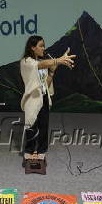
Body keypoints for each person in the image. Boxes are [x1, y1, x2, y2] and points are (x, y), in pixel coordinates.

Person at [20, 35, 76, 166]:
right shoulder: (26, 62)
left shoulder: (42, 62)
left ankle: (41, 153)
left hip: (43, 97)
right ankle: (29, 153)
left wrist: (52, 72)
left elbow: (46, 83)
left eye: (44, 45)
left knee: (44, 127)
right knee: (31, 126)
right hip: (32, 100)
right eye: (41, 45)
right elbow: (39, 65)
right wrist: (59, 60)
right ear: (32, 47)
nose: (43, 48)